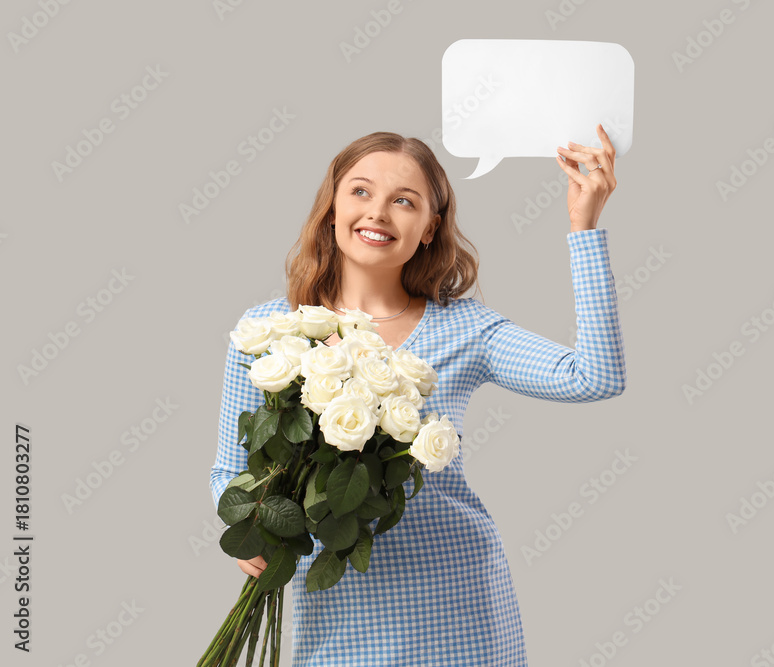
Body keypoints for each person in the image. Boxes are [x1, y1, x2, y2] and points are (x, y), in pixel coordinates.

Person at [209, 125, 626, 666]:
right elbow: (229, 472)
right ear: (332, 209)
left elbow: (594, 376)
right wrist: (256, 534)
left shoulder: (466, 329)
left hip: (461, 606)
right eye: (361, 191)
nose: (378, 212)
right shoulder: (268, 332)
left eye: (404, 201)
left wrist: (583, 225)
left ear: (429, 228)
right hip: (342, 608)